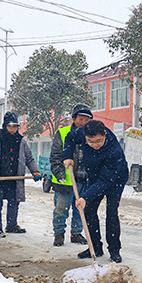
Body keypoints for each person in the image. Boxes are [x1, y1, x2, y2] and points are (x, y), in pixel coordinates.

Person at [63, 119, 129, 263]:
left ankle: (114, 250)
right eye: (90, 142)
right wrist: (67, 156)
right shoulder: (82, 132)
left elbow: (105, 181)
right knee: (88, 211)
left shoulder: (114, 151)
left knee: (111, 212)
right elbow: (69, 138)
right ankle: (95, 247)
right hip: (94, 176)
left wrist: (85, 197)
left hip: (115, 179)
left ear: (104, 134)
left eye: (98, 141)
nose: (95, 145)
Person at [0, 111, 42, 238]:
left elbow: (29, 158)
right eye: (10, 126)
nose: (13, 129)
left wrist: (35, 171)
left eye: (15, 126)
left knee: (14, 203)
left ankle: (11, 225)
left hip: (14, 179)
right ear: (4, 126)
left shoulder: (21, 141)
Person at [49, 103, 92, 247]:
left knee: (80, 209)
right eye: (81, 119)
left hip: (84, 180)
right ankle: (59, 234)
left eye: (87, 119)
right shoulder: (63, 133)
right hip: (65, 180)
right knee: (61, 209)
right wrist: (59, 173)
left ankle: (76, 233)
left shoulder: (91, 135)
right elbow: (55, 156)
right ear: (74, 118)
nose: (84, 122)